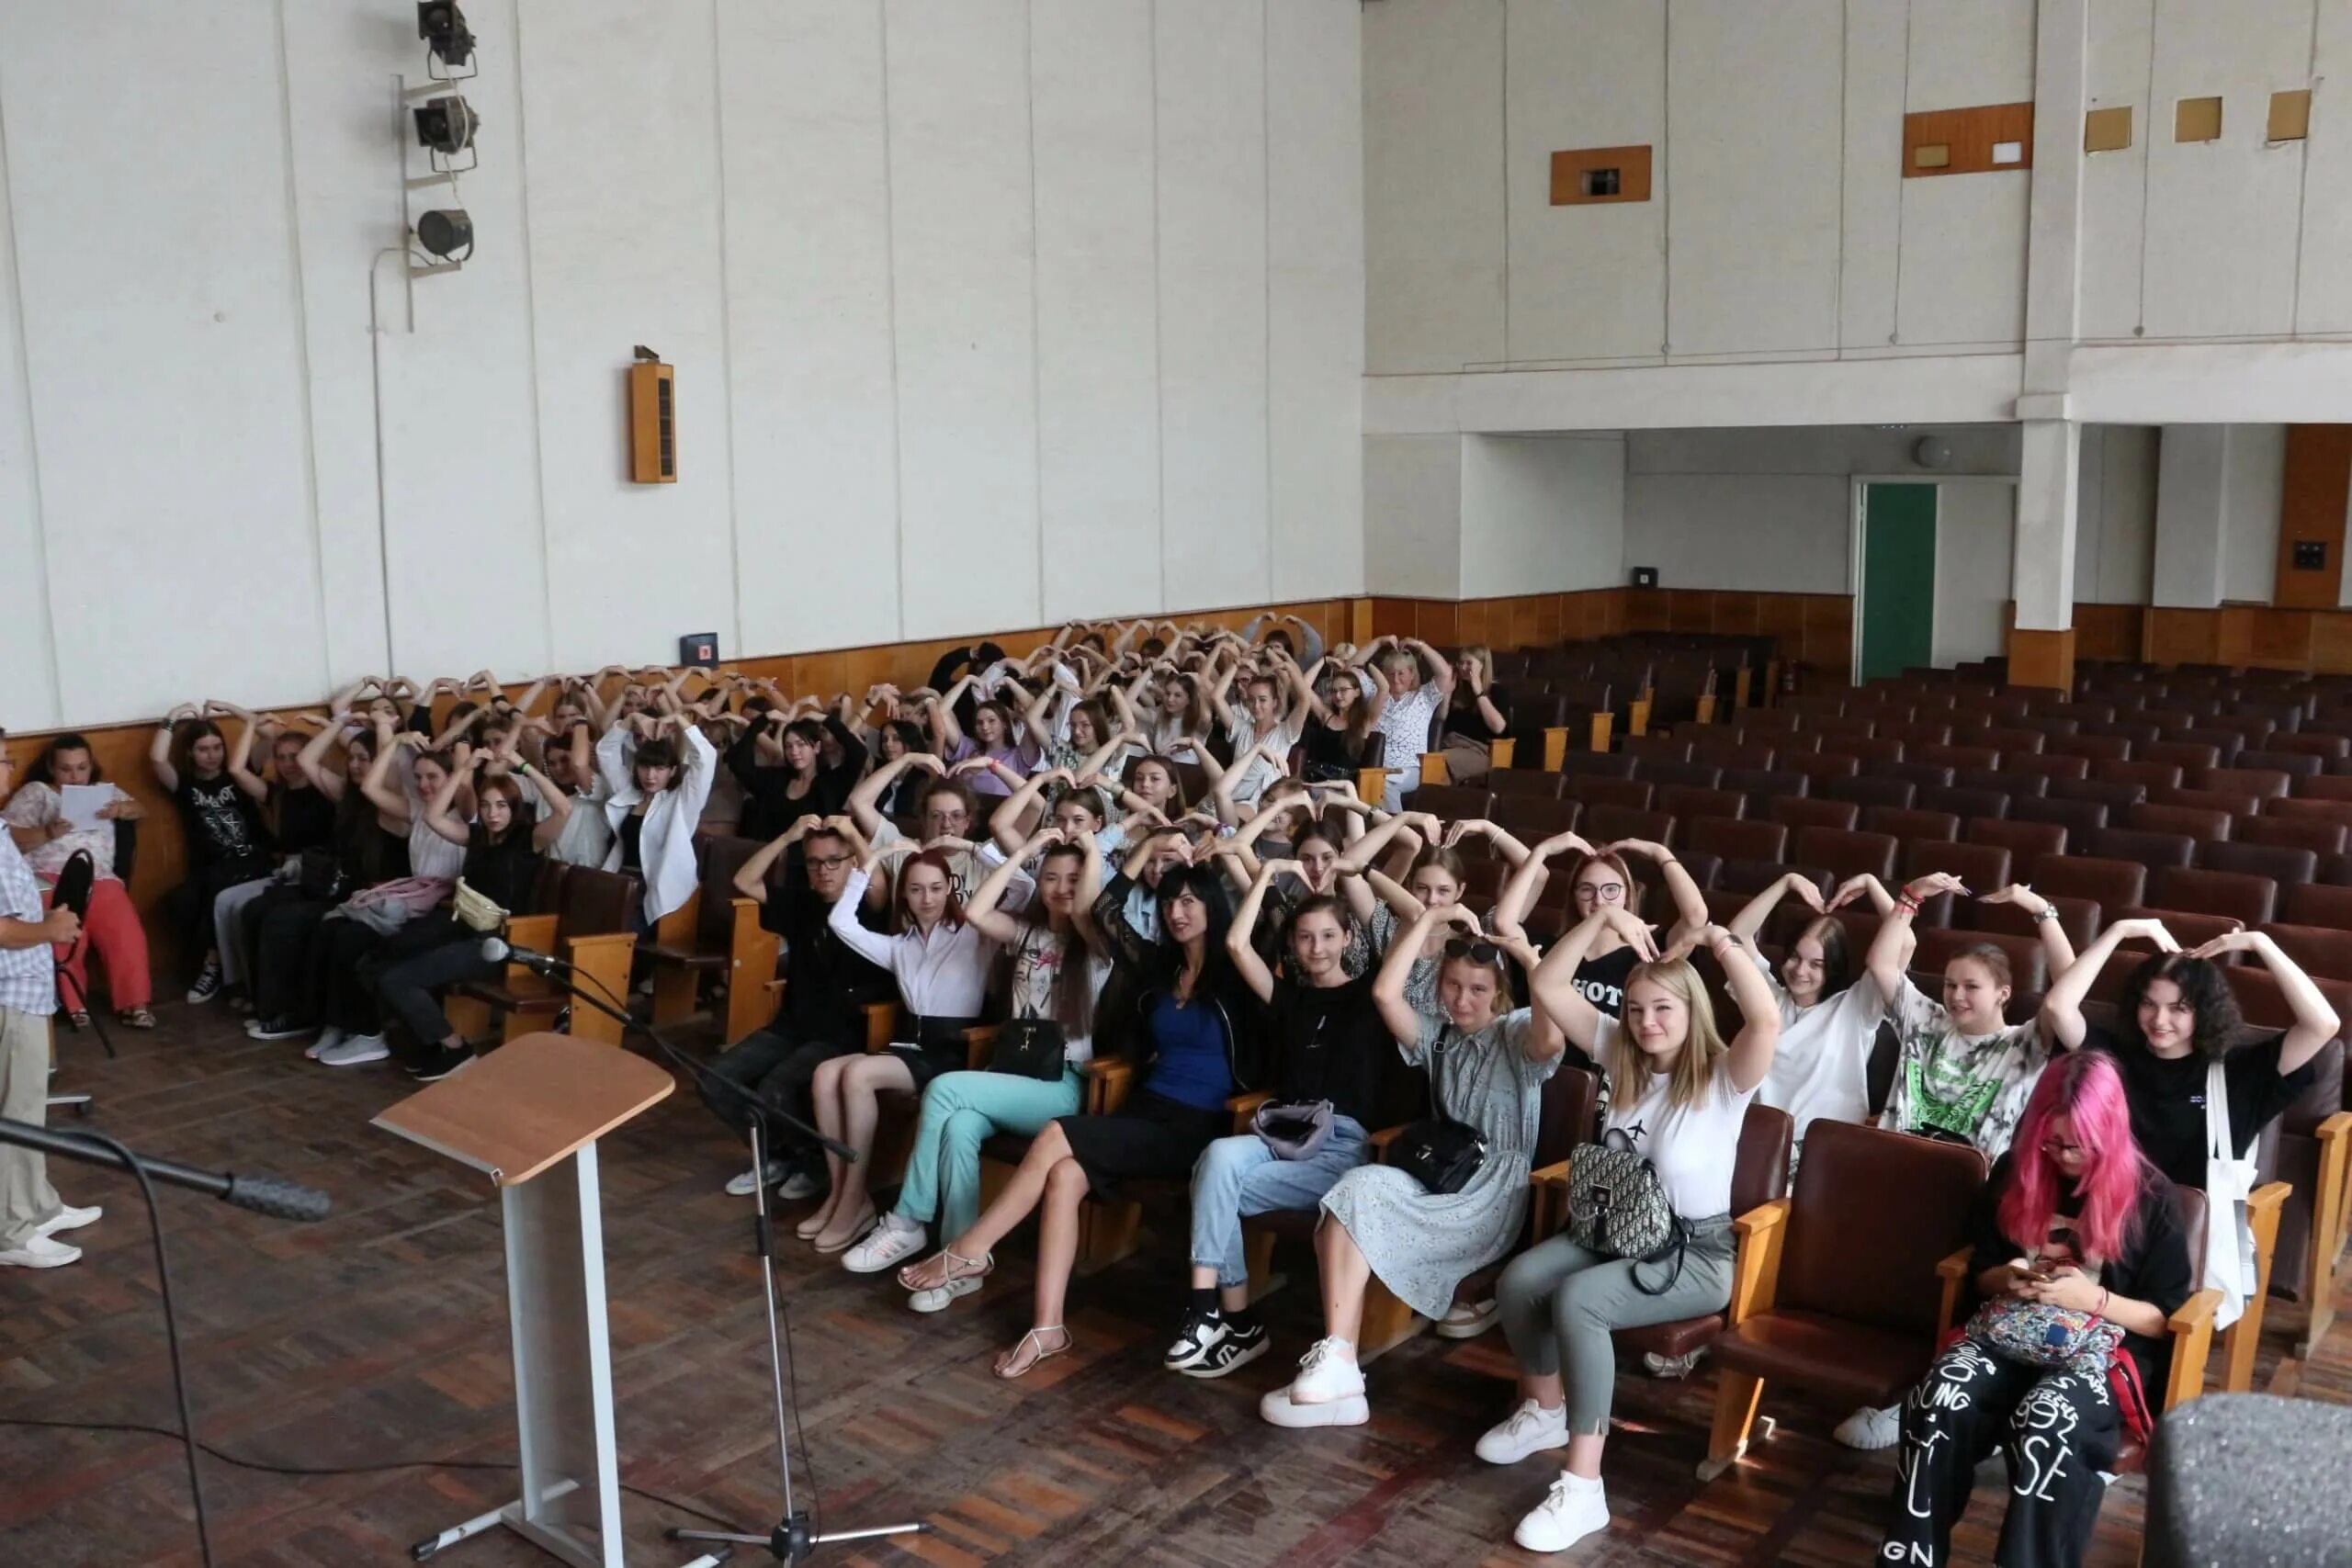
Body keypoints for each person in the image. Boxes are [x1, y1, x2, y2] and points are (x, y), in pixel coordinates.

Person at [1480, 909, 1781, 1554]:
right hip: (1613, 1228)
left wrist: (1717, 941)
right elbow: (1551, 985)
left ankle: (1584, 1484)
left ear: (1690, 1008)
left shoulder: (1724, 1075)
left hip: (1694, 1251)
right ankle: (1544, 1411)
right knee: (1520, 1279)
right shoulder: (1622, 1052)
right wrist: (1602, 918)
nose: (1648, 1022)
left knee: (1579, 1300)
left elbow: (1766, 1019)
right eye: (1638, 1008)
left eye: (1663, 1009)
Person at [898, 861, 1254, 1379]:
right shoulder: (1159, 968)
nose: (1177, 913)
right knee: (1064, 1176)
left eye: (1190, 902)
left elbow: (1265, 926)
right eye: (1170, 902)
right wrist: (1146, 848)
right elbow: (1106, 907)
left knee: (1057, 1133)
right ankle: (1048, 1328)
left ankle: (969, 1250)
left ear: (1212, 908)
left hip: (1195, 1125)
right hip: (1145, 1111)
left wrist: (1247, 863)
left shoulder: (1236, 975)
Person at [1880, 1051, 2192, 1568]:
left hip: (2098, 1355)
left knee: (2048, 1420)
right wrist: (2010, 1277)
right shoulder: (2016, 1170)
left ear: (2109, 1131)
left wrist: (2092, 1299)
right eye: (2052, 1142)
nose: (2065, 1156)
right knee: (1941, 1393)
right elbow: (1980, 1271)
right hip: (2009, 1334)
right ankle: (1911, 1554)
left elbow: (2165, 1319)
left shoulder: (2150, 1196)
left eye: (2079, 1145)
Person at [1259, 904, 1560, 1429]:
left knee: (1354, 1207)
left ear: (1500, 995)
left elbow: (1551, 1037)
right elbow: (1384, 993)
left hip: (1488, 1195)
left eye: (1477, 990)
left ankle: (1342, 1366)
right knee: (1352, 1191)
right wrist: (1430, 918)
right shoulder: (1440, 1035)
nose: (1462, 1000)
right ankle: (1339, 1358)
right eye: (1452, 986)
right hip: (1436, 1178)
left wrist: (1525, 956)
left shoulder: (1515, 1036)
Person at [1835, 873, 2080, 1453]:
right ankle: (1892, 1389)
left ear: (2002, 993)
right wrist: (1910, 900)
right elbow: (1880, 963)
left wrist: (2040, 909)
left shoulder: (2023, 1043)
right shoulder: (1923, 1023)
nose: (1956, 996)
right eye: (1949, 985)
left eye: (1971, 987)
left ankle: (1918, 1401)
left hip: (1968, 1198)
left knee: (1947, 1292)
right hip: (1895, 1181)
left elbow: (2067, 992)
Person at [847, 830, 1110, 1298]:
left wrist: (1090, 851)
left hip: (1062, 1082)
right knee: (961, 1125)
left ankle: (908, 1219)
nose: (1061, 888)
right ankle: (960, 1259)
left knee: (945, 1090)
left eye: (1073, 880)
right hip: (1013, 1073)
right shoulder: (1025, 932)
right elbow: (974, 910)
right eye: (1051, 878)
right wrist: (1025, 854)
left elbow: (1087, 904)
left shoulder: (1096, 943)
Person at [1162, 863, 1393, 1380]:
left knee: (1211, 1183)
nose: (1316, 948)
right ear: (1293, 942)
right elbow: (1239, 946)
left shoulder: (1370, 996)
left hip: (1339, 1147)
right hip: (1281, 1133)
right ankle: (1215, 1310)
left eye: (1329, 936)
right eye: (1306, 937)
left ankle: (1234, 1322)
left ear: (1347, 937)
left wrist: (1356, 870)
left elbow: (1395, 934)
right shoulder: (1290, 997)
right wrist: (1267, 871)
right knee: (1219, 1158)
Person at [796, 829, 1023, 1253]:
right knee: (826, 1074)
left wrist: (974, 849)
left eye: (936, 888)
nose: (927, 898)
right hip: (907, 1045)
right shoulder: (900, 945)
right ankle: (846, 1194)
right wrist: (876, 856)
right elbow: (839, 921)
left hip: (952, 1050)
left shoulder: (973, 935)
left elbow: (1021, 889)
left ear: (949, 888)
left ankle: (851, 1200)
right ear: (904, 895)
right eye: (916, 889)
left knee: (857, 1075)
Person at [706, 817, 893, 1200]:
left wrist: (854, 836)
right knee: (716, 1080)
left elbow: (877, 884)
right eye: (814, 862)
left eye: (833, 861)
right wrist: (788, 836)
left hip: (843, 1031)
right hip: (792, 1024)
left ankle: (813, 1161)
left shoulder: (866, 904)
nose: (823, 870)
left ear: (851, 863)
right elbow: (744, 881)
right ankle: (778, 1155)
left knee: (777, 1087)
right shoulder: (800, 902)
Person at [371, 760, 551, 1083]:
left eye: (501, 806)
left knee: (399, 979)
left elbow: (564, 809)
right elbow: (433, 816)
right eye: (485, 805)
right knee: (386, 954)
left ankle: (457, 1050)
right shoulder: (477, 837)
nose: (492, 813)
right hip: (463, 927)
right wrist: (462, 769)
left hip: (494, 944)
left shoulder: (530, 840)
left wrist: (524, 767)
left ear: (514, 808)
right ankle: (429, 1044)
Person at [1723, 871, 1896, 1175]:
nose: (1800, 970)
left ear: (1835, 966)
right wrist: (1786, 882)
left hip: (1826, 1152)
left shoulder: (1856, 1006)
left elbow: (1901, 944)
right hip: (1759, 1143)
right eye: (1795, 957)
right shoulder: (1768, 997)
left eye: (1817, 964)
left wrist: (1871, 884)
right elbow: (1736, 936)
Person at [0, 739, 97, 1270]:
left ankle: (38, 1205)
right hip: (7, 993)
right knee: (13, 1113)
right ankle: (11, 1233)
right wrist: (48, 927)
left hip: (26, 987)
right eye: (2, 759)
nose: (10, 768)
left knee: (29, 1103)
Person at [3, 733, 154, 1029]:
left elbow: (141, 808)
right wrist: (47, 833)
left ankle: (134, 1003)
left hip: (100, 876)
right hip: (50, 875)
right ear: (51, 767)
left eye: (82, 767)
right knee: (66, 930)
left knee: (125, 930)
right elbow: (7, 836)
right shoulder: (37, 792)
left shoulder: (101, 791)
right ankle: (73, 1005)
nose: (75, 775)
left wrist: (120, 809)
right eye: (66, 769)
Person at [1492, 834, 1711, 1032]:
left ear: (1627, 893)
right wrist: (1541, 851)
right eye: (1587, 889)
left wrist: (1661, 854)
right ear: (1574, 897)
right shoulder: (1552, 950)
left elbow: (1696, 916)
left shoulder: (1650, 951)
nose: (1599, 900)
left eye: (1611, 889)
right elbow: (1503, 923)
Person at [153, 706, 274, 1003]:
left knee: (216, 885)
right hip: (208, 867)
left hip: (252, 858)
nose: (212, 755)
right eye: (203, 749)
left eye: (217, 747)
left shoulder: (239, 773)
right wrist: (172, 717)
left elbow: (268, 735)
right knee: (177, 902)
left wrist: (230, 708)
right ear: (191, 753)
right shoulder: (185, 785)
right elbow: (156, 758)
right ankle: (214, 963)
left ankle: (213, 964)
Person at [596, 706, 717, 930]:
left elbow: (707, 758)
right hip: (621, 881)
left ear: (672, 771)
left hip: (656, 888)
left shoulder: (682, 801)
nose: (650, 776)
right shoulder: (629, 793)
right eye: (644, 767)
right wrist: (631, 719)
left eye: (659, 768)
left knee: (620, 936)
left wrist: (681, 720)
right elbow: (606, 752)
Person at [1363, 636, 1453, 809]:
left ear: (1412, 675)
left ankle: (1398, 833)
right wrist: (1378, 642)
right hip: (1374, 768)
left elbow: (1446, 673)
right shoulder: (1376, 694)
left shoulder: (1423, 697)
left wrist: (1420, 645)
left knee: (1383, 784)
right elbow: (1352, 666)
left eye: (1401, 673)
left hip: (1410, 768)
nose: (1395, 679)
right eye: (1390, 673)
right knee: (1369, 781)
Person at [1436, 645, 1510, 785]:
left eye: (1469, 663)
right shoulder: (1458, 690)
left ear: (1482, 666)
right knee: (1426, 760)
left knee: (1437, 765)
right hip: (1448, 745)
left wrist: (1478, 690)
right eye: (1461, 663)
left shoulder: (1498, 692)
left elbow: (1499, 727)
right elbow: (1441, 721)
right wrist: (1448, 692)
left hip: (1479, 751)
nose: (1463, 667)